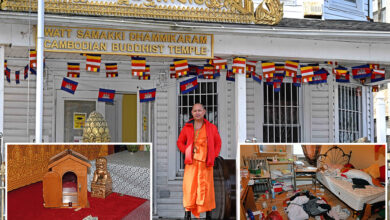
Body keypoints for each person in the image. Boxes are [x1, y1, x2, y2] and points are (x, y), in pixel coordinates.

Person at [177, 103, 222, 220]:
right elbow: (180, 142)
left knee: (206, 189)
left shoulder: (212, 127)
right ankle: (187, 215)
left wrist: (213, 155)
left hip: (206, 164)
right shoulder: (187, 127)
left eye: (199, 110)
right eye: (195, 111)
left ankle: (208, 215)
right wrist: (187, 151)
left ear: (204, 112)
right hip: (191, 164)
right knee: (189, 188)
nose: (197, 112)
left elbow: (218, 143)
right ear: (192, 113)